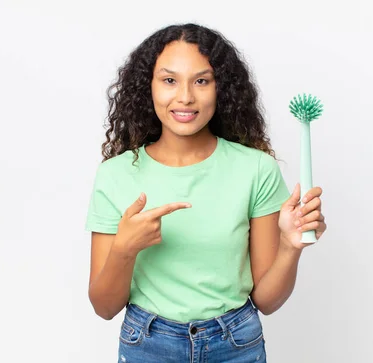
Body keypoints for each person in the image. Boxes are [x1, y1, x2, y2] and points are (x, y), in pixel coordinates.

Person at [85, 23, 327, 363]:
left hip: (236, 345)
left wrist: (290, 246)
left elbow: (268, 302)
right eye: (169, 80)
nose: (185, 96)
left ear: (221, 89)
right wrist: (125, 247)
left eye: (201, 81)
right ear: (148, 87)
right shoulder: (115, 175)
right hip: (148, 346)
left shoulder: (256, 170)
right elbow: (104, 306)